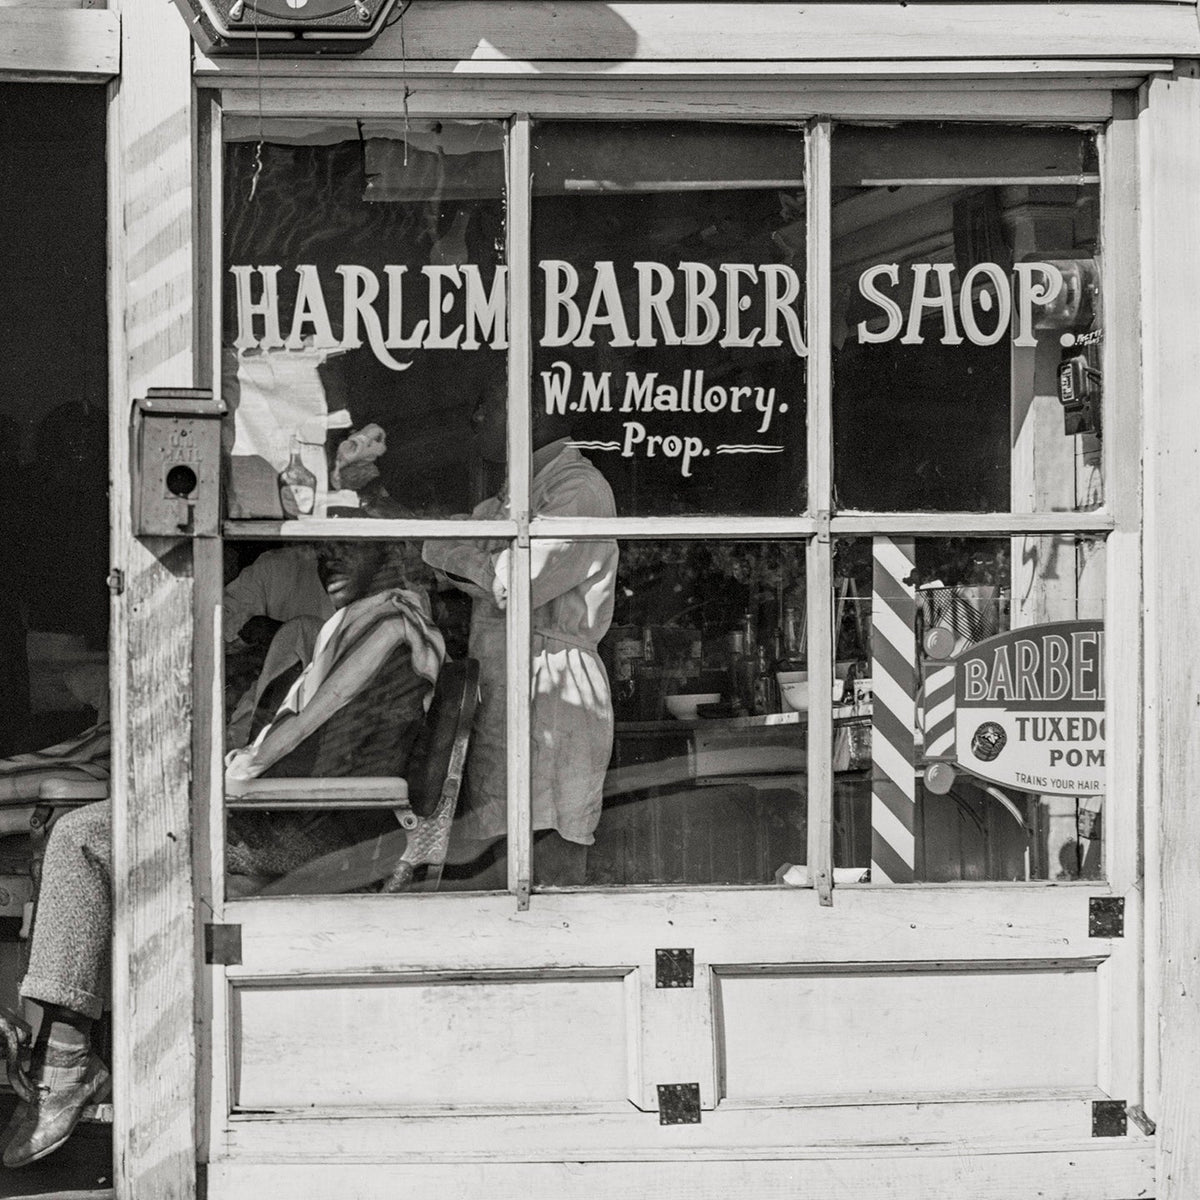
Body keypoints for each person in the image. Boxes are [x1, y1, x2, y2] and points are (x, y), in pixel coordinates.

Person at [0, 540, 443, 1169]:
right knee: (83, 827)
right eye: (324, 550)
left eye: (348, 549)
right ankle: (58, 1049)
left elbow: (323, 713)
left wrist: (242, 769)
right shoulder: (363, 623)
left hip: (320, 832)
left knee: (83, 835)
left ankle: (67, 1061)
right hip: (301, 813)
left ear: (390, 554)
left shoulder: (390, 625)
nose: (330, 561)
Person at [421, 381, 618, 886]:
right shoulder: (515, 496)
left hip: (553, 692)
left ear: (531, 412)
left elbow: (511, 579)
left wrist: (441, 551)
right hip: (509, 687)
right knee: (497, 855)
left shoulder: (578, 491)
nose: (475, 417)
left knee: (546, 865)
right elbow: (464, 547)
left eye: (483, 402)